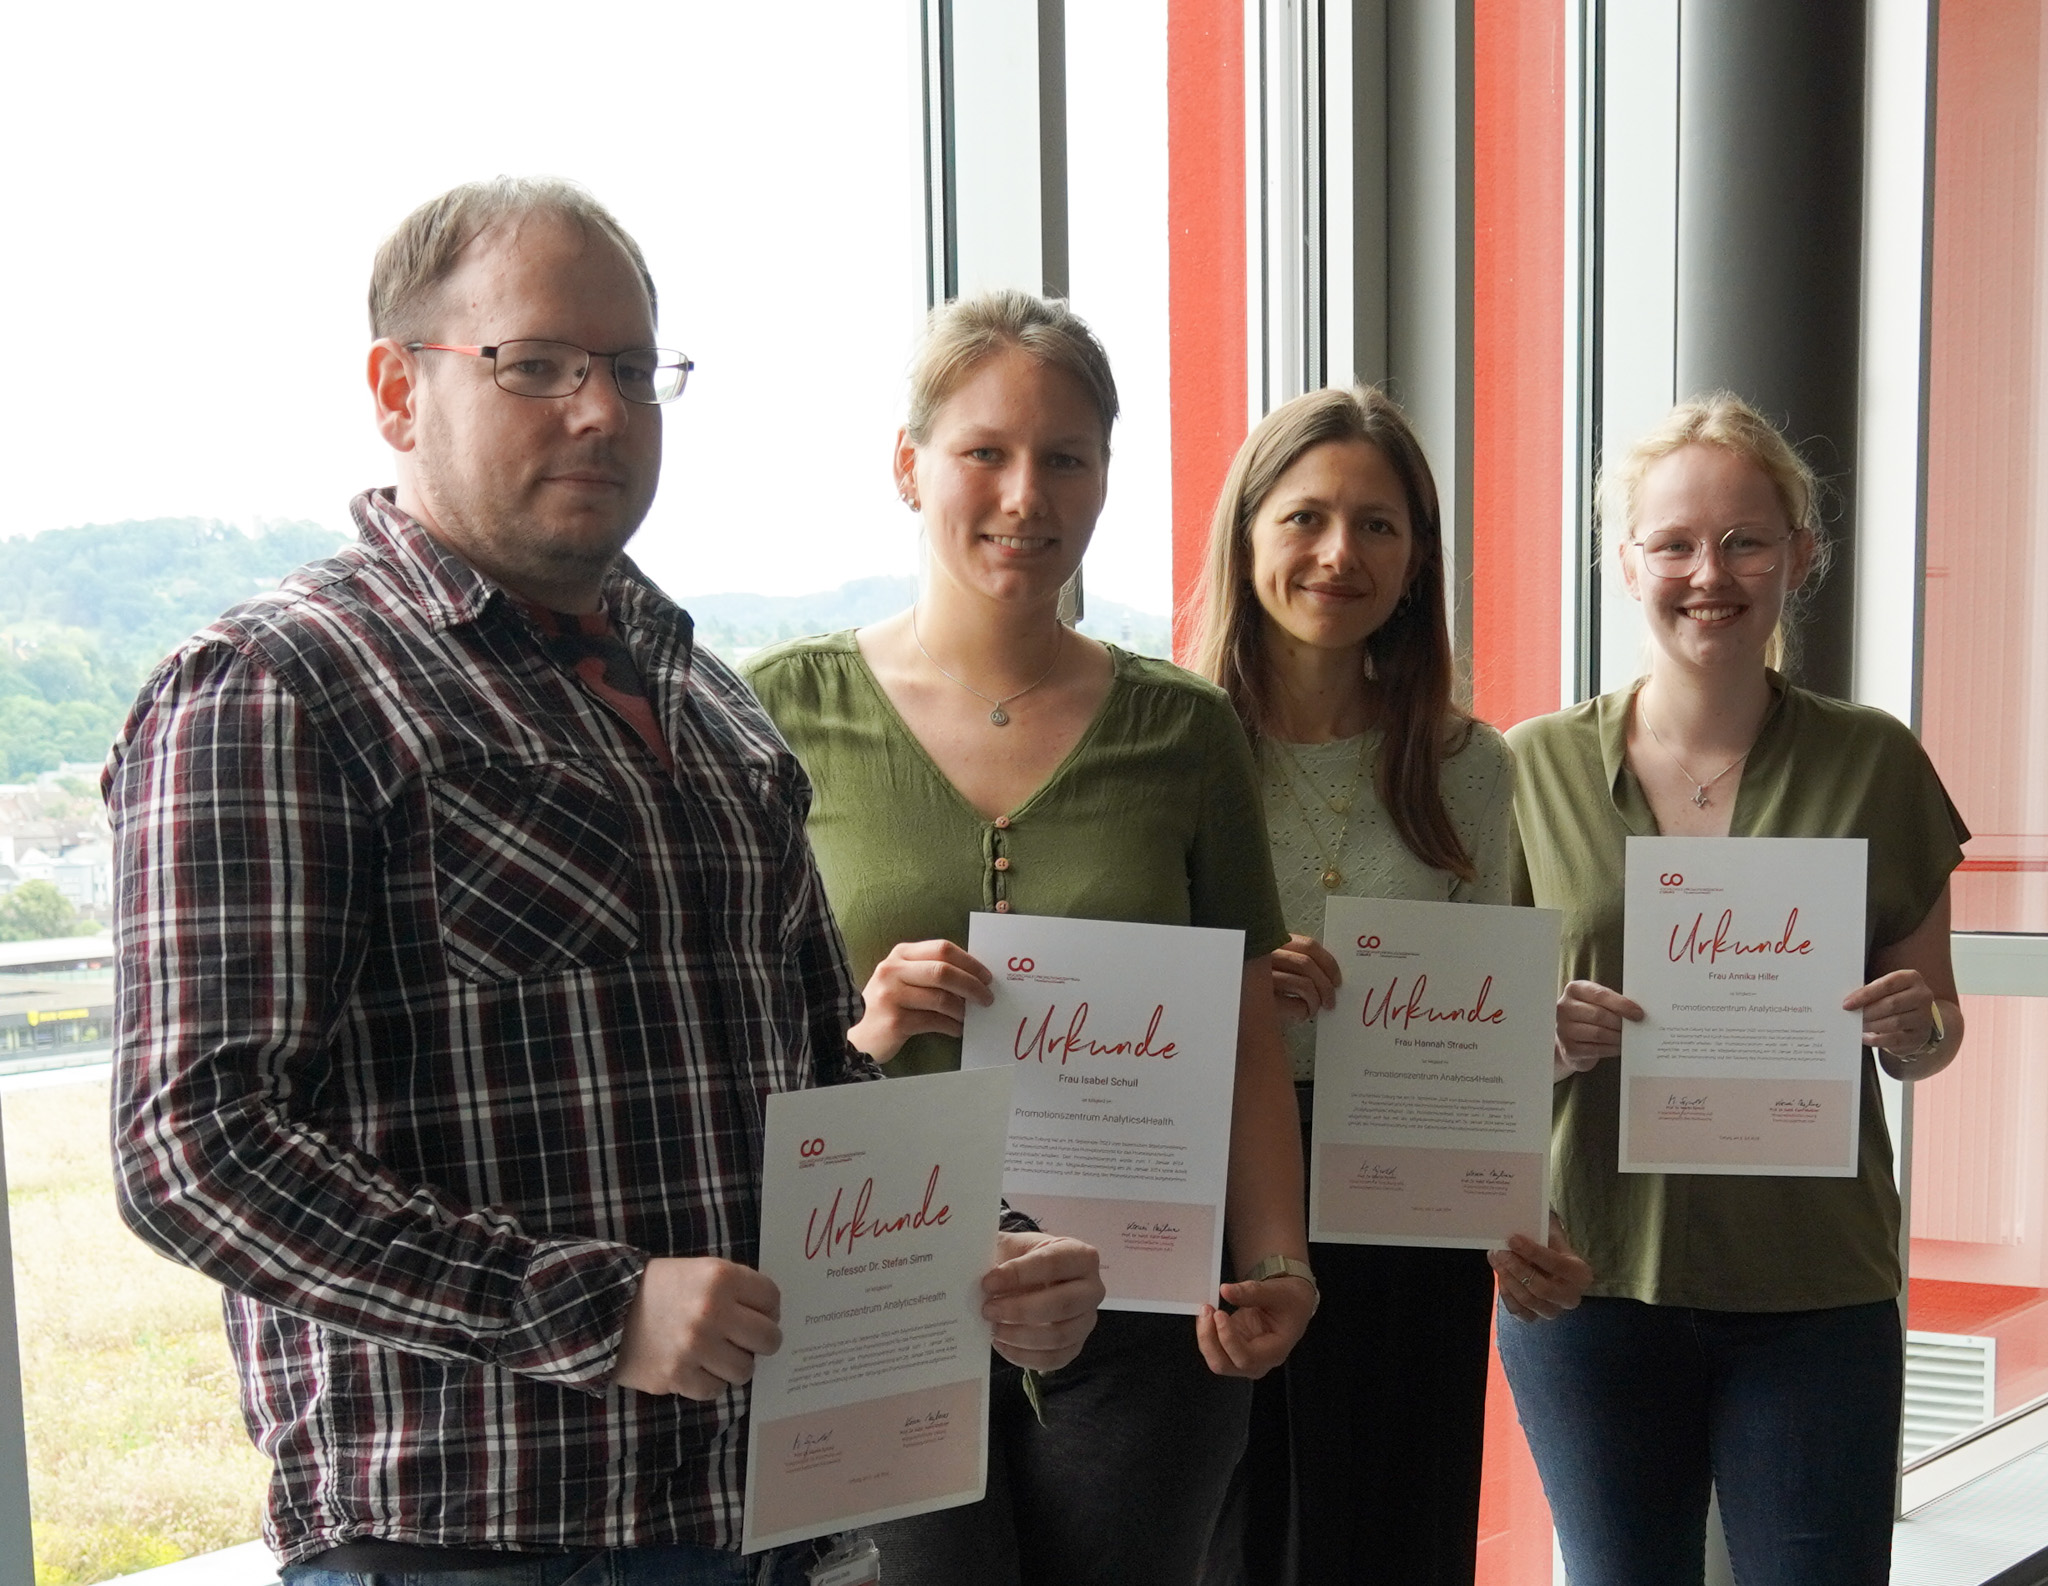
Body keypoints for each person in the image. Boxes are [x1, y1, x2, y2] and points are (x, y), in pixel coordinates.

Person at [103, 178, 1103, 1586]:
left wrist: (993, 1251)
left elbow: (821, 1069)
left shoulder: (708, 702)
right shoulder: (282, 687)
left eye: (632, 369)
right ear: (398, 390)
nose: (600, 409)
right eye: (537, 365)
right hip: (469, 1538)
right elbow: (192, 1152)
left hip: (771, 1507)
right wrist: (594, 1308)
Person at [743, 289, 1315, 1586]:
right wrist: (868, 1030)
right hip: (881, 1285)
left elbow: (1242, 1023)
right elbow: (726, 1038)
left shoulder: (1185, 731)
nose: (1025, 494)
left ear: (1107, 477)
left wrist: (1278, 1257)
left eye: (1066, 457)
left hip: (1147, 1291)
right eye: (984, 452)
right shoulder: (777, 710)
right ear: (909, 465)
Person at [1498, 393, 1969, 1586]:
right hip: (1586, 1276)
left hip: (1813, 1286)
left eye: (1744, 539)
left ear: (1796, 557)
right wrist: (1540, 1040)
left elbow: (1933, 1024)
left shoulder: (1874, 760)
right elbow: (1460, 1039)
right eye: (1673, 543)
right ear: (1625, 561)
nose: (1708, 573)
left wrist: (1914, 1026)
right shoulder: (1523, 769)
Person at [1189, 386, 1591, 1586]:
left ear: (1416, 561)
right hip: (1215, 1192)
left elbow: (1496, 1036)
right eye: (1304, 515)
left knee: (1391, 1534)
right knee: (1221, 1542)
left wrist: (1529, 1207)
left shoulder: (1469, 765)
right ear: (1247, 533)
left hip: (1401, 1206)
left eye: (1377, 524)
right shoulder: (1167, 741)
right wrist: (1232, 994)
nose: (1337, 552)